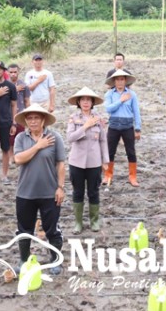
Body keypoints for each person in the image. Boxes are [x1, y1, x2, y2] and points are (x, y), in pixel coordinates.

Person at [12, 104, 66, 275]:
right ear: (26, 121)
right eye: (29, 118)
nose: (33, 121)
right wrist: (38, 146)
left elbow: (61, 164)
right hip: (25, 192)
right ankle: (24, 259)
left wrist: (60, 187)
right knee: (24, 229)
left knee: (52, 228)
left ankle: (55, 260)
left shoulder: (55, 137)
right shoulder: (21, 138)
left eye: (36, 118)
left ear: (43, 120)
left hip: (49, 192)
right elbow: (18, 159)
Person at [66, 87, 109, 233]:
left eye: (88, 100)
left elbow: (103, 140)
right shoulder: (73, 118)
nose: (86, 102)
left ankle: (94, 221)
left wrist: (105, 160)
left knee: (93, 191)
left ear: (93, 102)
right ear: (78, 102)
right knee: (77, 192)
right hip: (76, 161)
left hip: (94, 161)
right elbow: (70, 138)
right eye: (83, 99)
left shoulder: (99, 119)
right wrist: (85, 126)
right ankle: (78, 222)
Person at [103, 70, 142, 187]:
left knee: (131, 151)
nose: (120, 82)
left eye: (122, 79)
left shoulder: (132, 94)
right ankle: (108, 175)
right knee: (110, 151)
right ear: (114, 81)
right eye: (117, 79)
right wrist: (121, 100)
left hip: (128, 126)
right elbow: (109, 109)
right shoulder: (109, 94)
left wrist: (138, 128)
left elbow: (136, 112)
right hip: (114, 126)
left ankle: (133, 176)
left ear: (125, 81)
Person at [7, 63, 30, 169]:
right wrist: (14, 89)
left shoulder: (24, 85)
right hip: (8, 114)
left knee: (20, 135)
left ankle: (19, 156)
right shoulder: (5, 85)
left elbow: (26, 101)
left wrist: (29, 114)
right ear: (7, 73)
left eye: (15, 72)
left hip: (20, 114)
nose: (13, 74)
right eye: (11, 72)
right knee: (10, 137)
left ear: (18, 72)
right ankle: (10, 156)